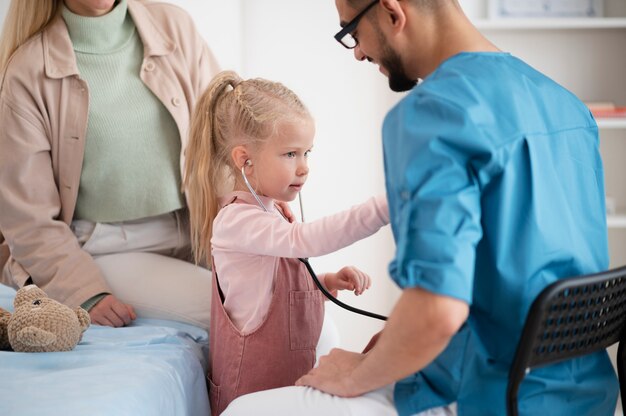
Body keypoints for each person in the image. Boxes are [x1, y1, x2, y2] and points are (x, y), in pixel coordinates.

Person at [221, 0, 618, 415]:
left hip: (488, 393)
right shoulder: (565, 103)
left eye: (352, 32)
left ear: (393, 12)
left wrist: (356, 374)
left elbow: (437, 313)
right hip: (584, 394)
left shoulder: (433, 114)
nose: (357, 51)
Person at [0, 0, 220, 329]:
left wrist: (261, 197)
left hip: (196, 233)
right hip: (103, 250)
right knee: (232, 311)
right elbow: (27, 219)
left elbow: (226, 132)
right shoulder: (28, 71)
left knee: (297, 307)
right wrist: (85, 292)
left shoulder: (173, 26)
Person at [183, 69, 389, 415]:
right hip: (249, 393)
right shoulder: (236, 221)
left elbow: (267, 294)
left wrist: (326, 282)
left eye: (308, 152)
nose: (304, 167)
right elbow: (302, 242)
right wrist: (386, 207)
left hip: (282, 385)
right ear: (244, 160)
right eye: (290, 154)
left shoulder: (273, 212)